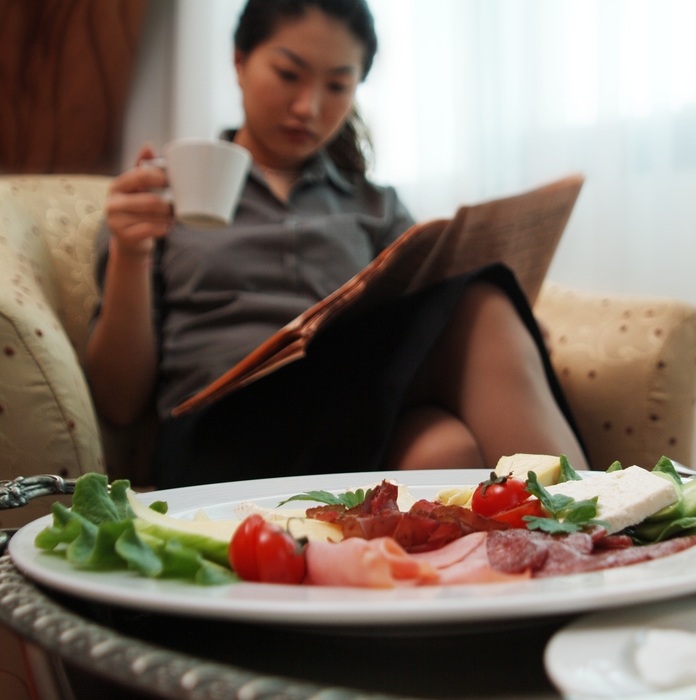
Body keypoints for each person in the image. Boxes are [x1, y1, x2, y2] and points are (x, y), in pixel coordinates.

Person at [87, 0, 588, 488]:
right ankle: (605, 532)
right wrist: (131, 254)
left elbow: (427, 327)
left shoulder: (375, 205)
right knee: (482, 308)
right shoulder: (162, 196)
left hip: (348, 425)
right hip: (219, 436)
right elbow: (119, 402)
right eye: (288, 74)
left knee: (445, 450)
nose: (309, 107)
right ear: (239, 62)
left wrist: (512, 345)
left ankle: (575, 550)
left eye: (337, 85)